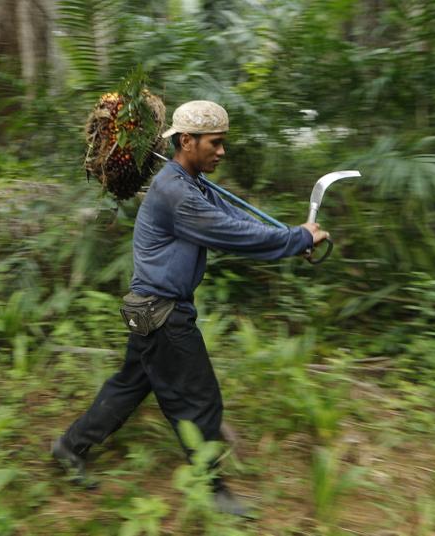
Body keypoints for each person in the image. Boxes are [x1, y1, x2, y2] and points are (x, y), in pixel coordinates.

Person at [52, 100, 331, 516]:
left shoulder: (191, 184)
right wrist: (296, 240)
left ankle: (68, 448)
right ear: (187, 141)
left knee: (130, 385)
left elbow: (235, 219)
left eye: (223, 143)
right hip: (164, 314)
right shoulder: (177, 193)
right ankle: (212, 489)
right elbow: (229, 234)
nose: (222, 152)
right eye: (215, 144)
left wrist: (294, 240)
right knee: (200, 401)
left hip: (145, 307)